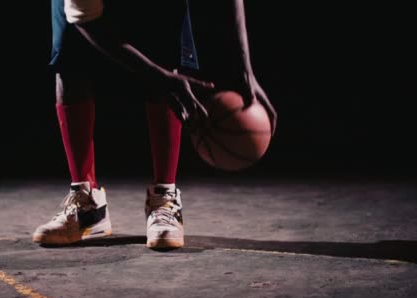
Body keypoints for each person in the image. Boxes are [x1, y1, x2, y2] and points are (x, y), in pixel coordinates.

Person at [32, 0, 276, 249]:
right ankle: (87, 208)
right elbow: (84, 20)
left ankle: (164, 197)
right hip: (81, 11)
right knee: (69, 63)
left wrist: (245, 70)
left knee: (166, 56)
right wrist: (159, 77)